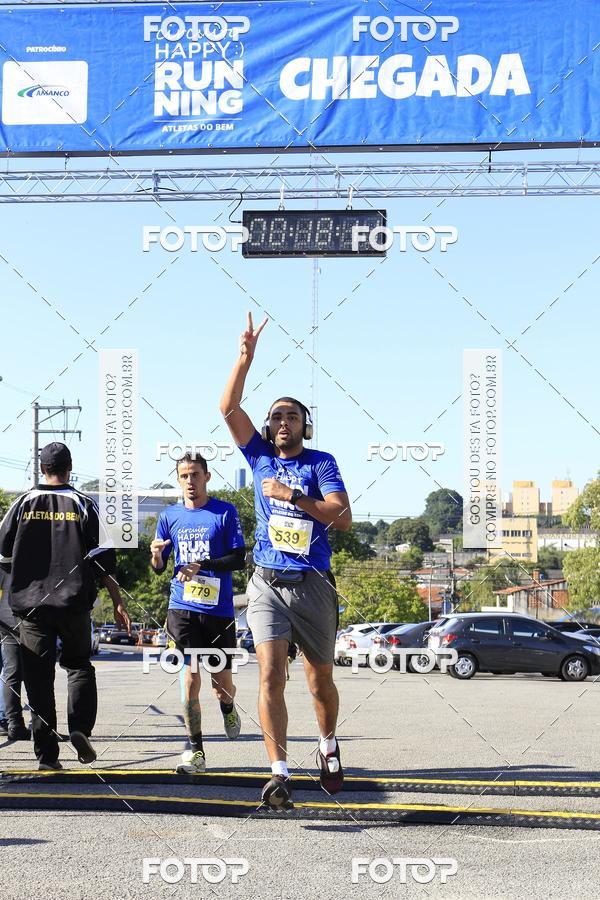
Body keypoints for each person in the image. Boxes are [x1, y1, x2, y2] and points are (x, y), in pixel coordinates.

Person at [220, 312, 352, 810]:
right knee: (270, 675)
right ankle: (278, 772)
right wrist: (245, 357)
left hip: (313, 582)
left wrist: (294, 496)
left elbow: (342, 519)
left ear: (304, 425)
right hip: (267, 581)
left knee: (321, 682)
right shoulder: (258, 457)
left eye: (290, 416)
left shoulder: (321, 463)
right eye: (275, 416)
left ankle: (328, 744)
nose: (281, 422)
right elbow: (228, 406)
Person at [0, 442, 131, 770]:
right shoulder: (83, 504)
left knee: (38, 678)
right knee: (79, 666)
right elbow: (104, 564)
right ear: (70, 467)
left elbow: (2, 557)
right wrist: (118, 604)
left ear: (41, 468)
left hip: (30, 606)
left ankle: (47, 757)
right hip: (73, 603)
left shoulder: (21, 504)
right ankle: (79, 730)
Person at [150, 452, 246, 774]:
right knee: (190, 678)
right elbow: (159, 568)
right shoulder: (169, 517)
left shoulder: (224, 513)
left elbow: (237, 559)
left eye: (195, 474)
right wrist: (157, 557)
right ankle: (197, 752)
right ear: (178, 480)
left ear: (207, 476)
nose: (190, 481)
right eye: (184, 476)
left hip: (218, 610)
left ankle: (228, 706)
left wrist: (203, 565)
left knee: (221, 684)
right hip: (182, 608)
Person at [0, 567, 30, 740]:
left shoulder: (5, 556)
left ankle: (14, 723)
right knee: (40, 673)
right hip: (30, 617)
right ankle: (42, 725)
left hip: (7, 619)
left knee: (12, 672)